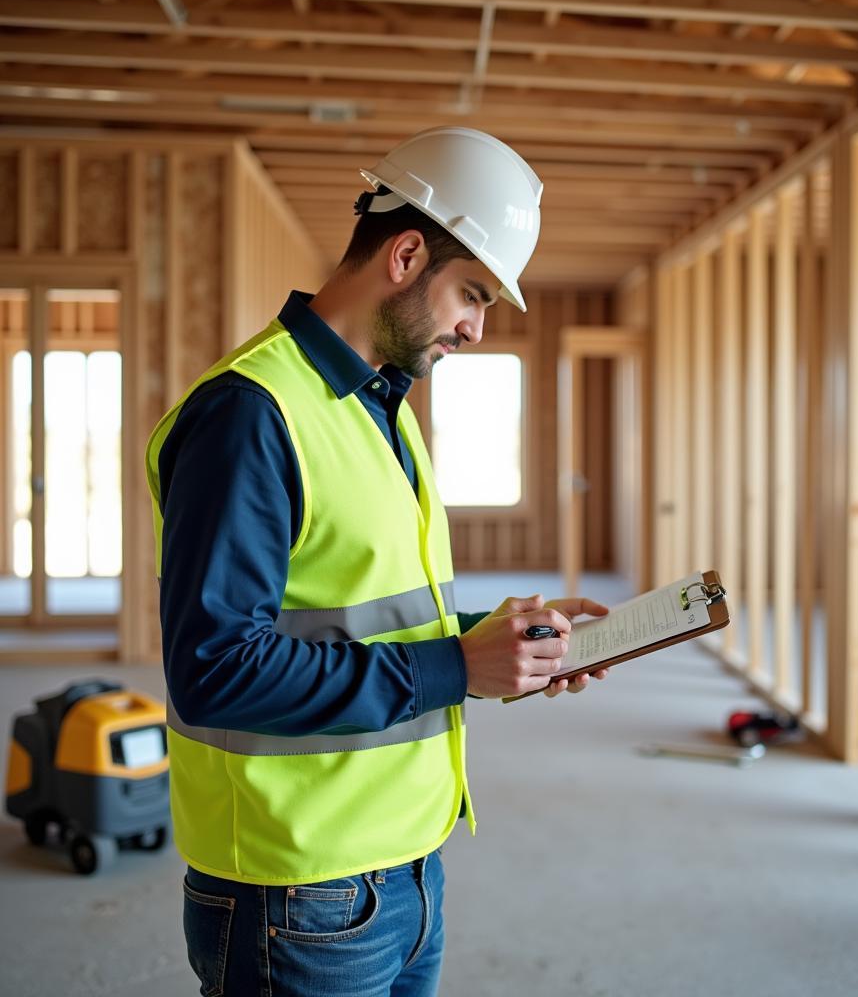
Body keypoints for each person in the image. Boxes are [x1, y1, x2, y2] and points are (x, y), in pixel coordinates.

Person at [145, 126, 609, 997]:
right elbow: (214, 670)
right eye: (472, 294)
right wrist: (452, 666)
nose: (475, 327)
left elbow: (358, 611)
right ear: (405, 255)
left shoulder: (379, 407)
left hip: (404, 865)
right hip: (299, 888)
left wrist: (498, 642)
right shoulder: (253, 413)